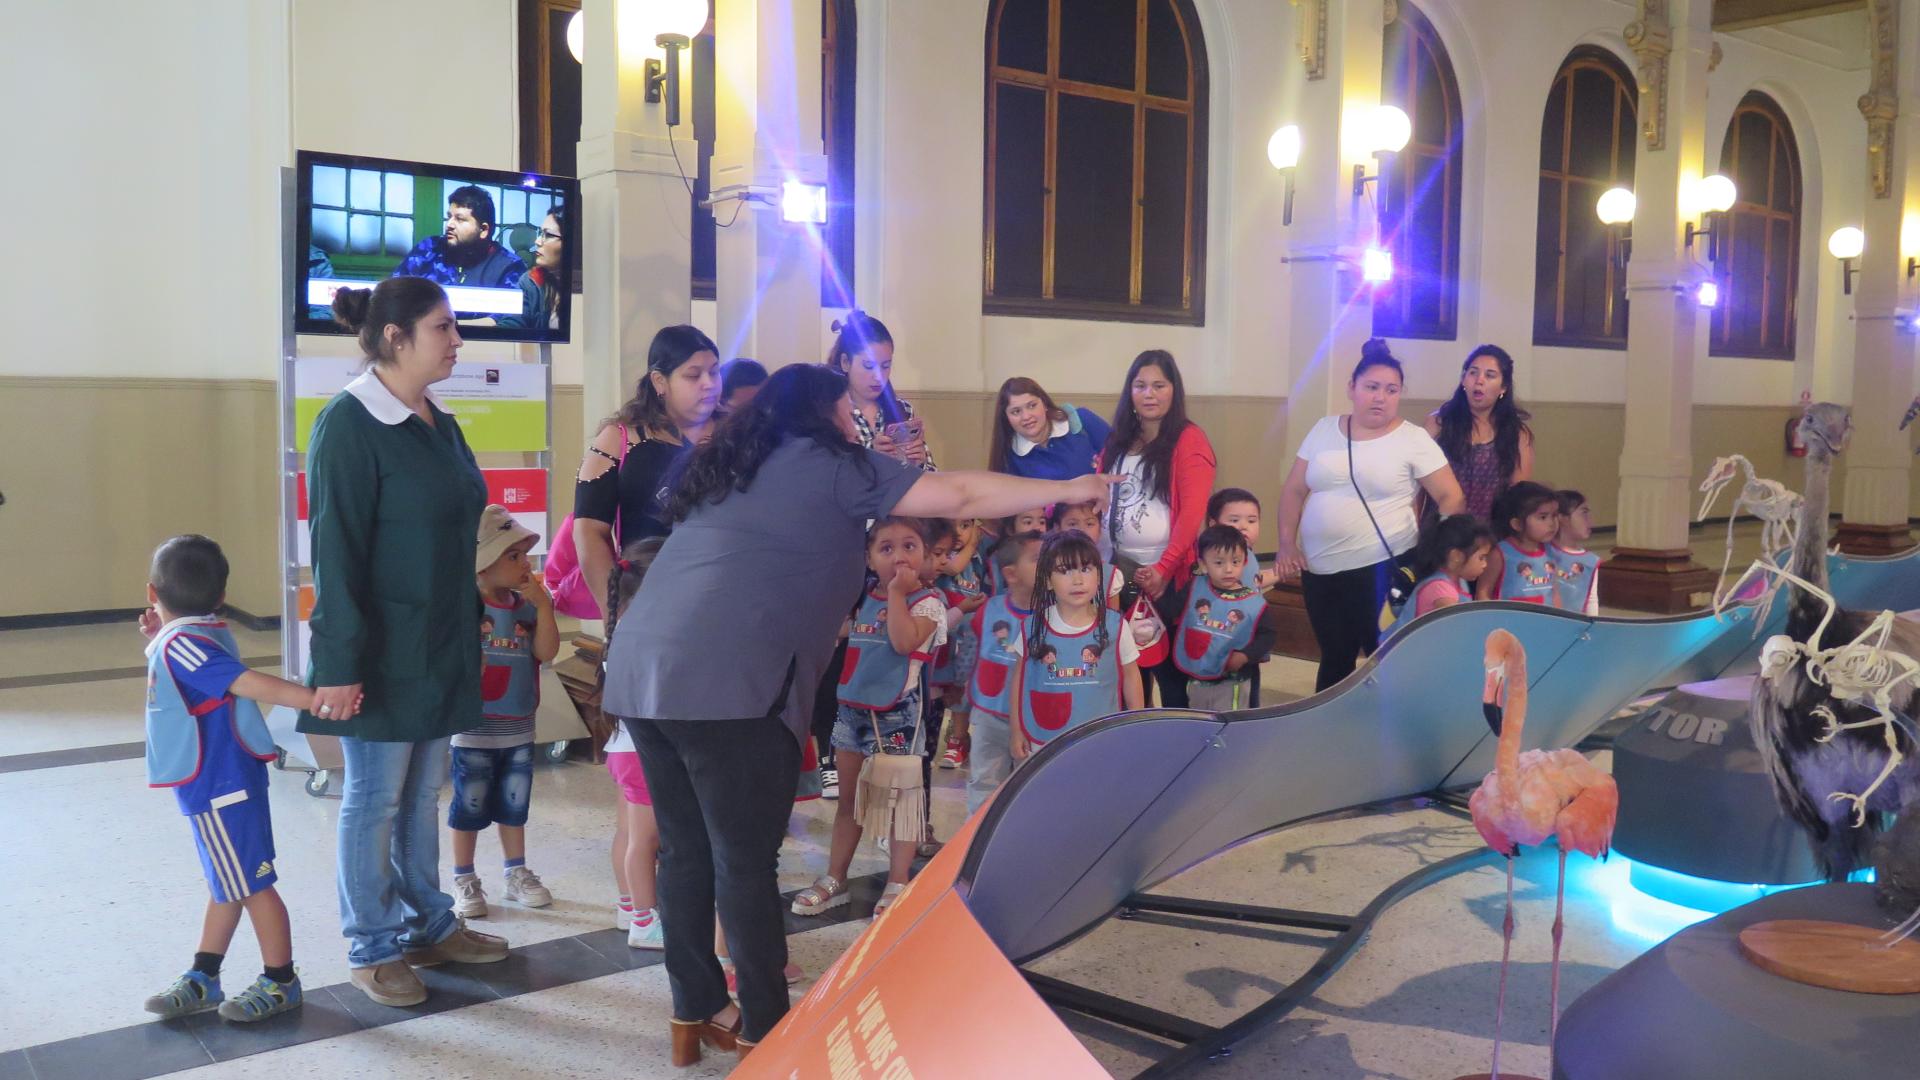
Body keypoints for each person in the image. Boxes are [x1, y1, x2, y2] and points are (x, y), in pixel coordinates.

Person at [598, 363, 1114, 1061]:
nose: (855, 421)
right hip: (726, 683)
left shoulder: (729, 464)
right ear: (822, 412)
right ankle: (767, 1030)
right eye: (847, 409)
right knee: (744, 862)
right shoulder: (826, 460)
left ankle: (695, 1010)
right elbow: (959, 491)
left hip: (642, 671)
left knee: (686, 851)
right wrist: (1072, 485)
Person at [302, 277, 509, 1008]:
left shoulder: (437, 420)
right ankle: (371, 945)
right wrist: (338, 665)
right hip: (381, 651)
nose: (457, 341)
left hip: (441, 641)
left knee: (423, 795)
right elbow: (337, 551)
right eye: (444, 328)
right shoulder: (349, 423)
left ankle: (429, 923)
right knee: (374, 800)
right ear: (396, 337)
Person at [139, 536, 332, 1024]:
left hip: (219, 784)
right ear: (221, 597)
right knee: (228, 878)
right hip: (223, 778)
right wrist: (160, 633)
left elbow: (246, 682)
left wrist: (314, 700)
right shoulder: (201, 631)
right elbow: (193, 667)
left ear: (152, 592)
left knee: (252, 884)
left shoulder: (183, 643)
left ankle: (281, 979)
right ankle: (206, 973)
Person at [1275, 339, 1467, 692]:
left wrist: (1434, 551)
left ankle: (1388, 738)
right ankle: (1330, 733)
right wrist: (1287, 542)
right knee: (1334, 657)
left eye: (1391, 390)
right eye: (1372, 387)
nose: (1381, 397)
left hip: (1384, 567)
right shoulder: (1323, 428)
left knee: (1387, 656)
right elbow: (1293, 490)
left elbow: (1450, 496)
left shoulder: (1413, 439)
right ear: (1352, 388)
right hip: (1321, 572)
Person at [791, 518, 948, 922]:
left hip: (898, 715)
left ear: (927, 556)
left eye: (910, 547)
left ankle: (897, 881)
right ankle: (835, 878)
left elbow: (902, 641)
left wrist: (896, 593)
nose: (899, 556)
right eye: (887, 548)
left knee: (900, 805)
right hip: (852, 712)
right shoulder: (863, 597)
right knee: (849, 802)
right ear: (869, 557)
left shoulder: (929, 603)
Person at [448, 506, 560, 920]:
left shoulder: (527, 607)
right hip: (473, 727)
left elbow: (546, 653)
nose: (524, 565)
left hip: (517, 726)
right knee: (469, 803)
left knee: (514, 804)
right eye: (513, 556)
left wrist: (544, 608)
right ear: (483, 564)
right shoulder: (465, 605)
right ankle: (464, 877)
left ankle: (517, 872)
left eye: (525, 555)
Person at [572, 325, 721, 617]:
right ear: (659, 381)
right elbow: (589, 531)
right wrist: (615, 610)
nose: (709, 383)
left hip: (725, 595)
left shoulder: (739, 434)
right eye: (693, 375)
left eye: (715, 372)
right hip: (647, 599)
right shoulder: (619, 440)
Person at [1098, 350, 1217, 707]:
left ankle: (1175, 745)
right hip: (1117, 568)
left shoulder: (1189, 439)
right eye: (1140, 385)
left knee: (1167, 671)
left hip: (1164, 572)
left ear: (1173, 391)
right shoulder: (1119, 438)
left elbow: (1191, 513)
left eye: (1158, 385)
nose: (1149, 394)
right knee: (1128, 669)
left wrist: (1164, 568)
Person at [1009, 532, 1146, 759]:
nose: (1078, 580)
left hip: (1101, 738)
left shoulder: (1115, 626)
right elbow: (1019, 681)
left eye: (1086, 569)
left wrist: (1137, 725)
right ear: (1047, 580)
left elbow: (1132, 677)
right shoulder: (1032, 626)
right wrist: (1016, 730)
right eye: (1065, 571)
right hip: (1044, 740)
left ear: (1099, 575)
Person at [602, 539, 665, 949]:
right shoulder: (645, 634)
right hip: (641, 751)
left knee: (627, 833)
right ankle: (646, 921)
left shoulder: (620, 627)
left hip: (621, 748)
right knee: (646, 841)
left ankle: (628, 907)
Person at [965, 531, 1042, 814]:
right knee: (984, 783)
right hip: (989, 716)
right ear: (1011, 574)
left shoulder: (1056, 617)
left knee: (1030, 789)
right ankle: (974, 845)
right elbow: (976, 650)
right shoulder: (990, 609)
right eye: (1038, 559)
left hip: (1032, 722)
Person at [1424, 345, 1534, 522]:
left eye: (1490, 375)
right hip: (1441, 530)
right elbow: (1419, 484)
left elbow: (1518, 497)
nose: (1479, 380)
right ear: (1463, 379)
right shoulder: (1438, 423)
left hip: (1490, 534)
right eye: (1473, 372)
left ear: (1503, 387)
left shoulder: (1518, 434)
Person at [1174, 526, 1270, 713]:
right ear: (1202, 564)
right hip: (1196, 679)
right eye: (1219, 563)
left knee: (1229, 726)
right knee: (1197, 721)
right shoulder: (1194, 587)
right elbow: (1172, 608)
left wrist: (1245, 655)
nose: (1228, 569)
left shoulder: (1254, 603)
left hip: (1233, 682)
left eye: (1235, 562)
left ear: (1245, 562)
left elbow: (1267, 636)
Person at [828, 310, 934, 469]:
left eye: (886, 366)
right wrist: (869, 457)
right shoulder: (829, 413)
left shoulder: (902, 410)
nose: (878, 377)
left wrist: (920, 462)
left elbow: (933, 476)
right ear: (845, 362)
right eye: (869, 366)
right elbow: (825, 479)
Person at [391, 184, 527, 291]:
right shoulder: (429, 248)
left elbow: (504, 321)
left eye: (460, 219)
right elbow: (394, 292)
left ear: (484, 230)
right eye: (449, 217)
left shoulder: (509, 265)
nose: (449, 225)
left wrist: (448, 326)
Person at [935, 518, 989, 770]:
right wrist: (972, 542)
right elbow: (953, 568)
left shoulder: (978, 561)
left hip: (969, 635)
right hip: (942, 632)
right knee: (939, 688)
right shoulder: (943, 555)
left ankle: (958, 739)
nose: (958, 532)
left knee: (961, 688)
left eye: (966, 526)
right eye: (953, 524)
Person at [987, 376, 1111, 480]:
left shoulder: (1081, 420)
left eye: (1032, 406)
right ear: (1006, 418)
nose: (1026, 416)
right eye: (1016, 411)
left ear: (1044, 404)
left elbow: (1124, 457)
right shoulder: (1008, 458)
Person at [1391, 515, 1495, 632]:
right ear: (1457, 556)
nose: (1485, 564)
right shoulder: (1441, 589)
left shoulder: (1458, 582)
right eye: (1481, 558)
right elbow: (1456, 630)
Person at [1480, 481, 1561, 604]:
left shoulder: (1551, 551)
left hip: (1545, 621)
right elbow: (1483, 593)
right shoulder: (1500, 554)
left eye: (1554, 516)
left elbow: (1554, 592)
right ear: (1517, 524)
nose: (1552, 523)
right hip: (1508, 621)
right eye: (1543, 517)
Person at [496, 205, 564, 331]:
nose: (537, 241)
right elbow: (513, 322)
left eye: (548, 235)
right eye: (540, 233)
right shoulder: (530, 280)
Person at [1206, 488, 1282, 591]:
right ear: (1214, 525)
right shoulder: (1214, 556)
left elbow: (1254, 580)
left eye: (1251, 521)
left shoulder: (1246, 552)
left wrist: (1283, 571)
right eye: (1234, 520)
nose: (1244, 526)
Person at [1548, 489, 1600, 615]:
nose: (1590, 521)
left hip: (1572, 624)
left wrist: (1592, 624)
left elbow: (1591, 599)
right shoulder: (1542, 551)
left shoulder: (1591, 561)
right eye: (1584, 513)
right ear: (1562, 518)